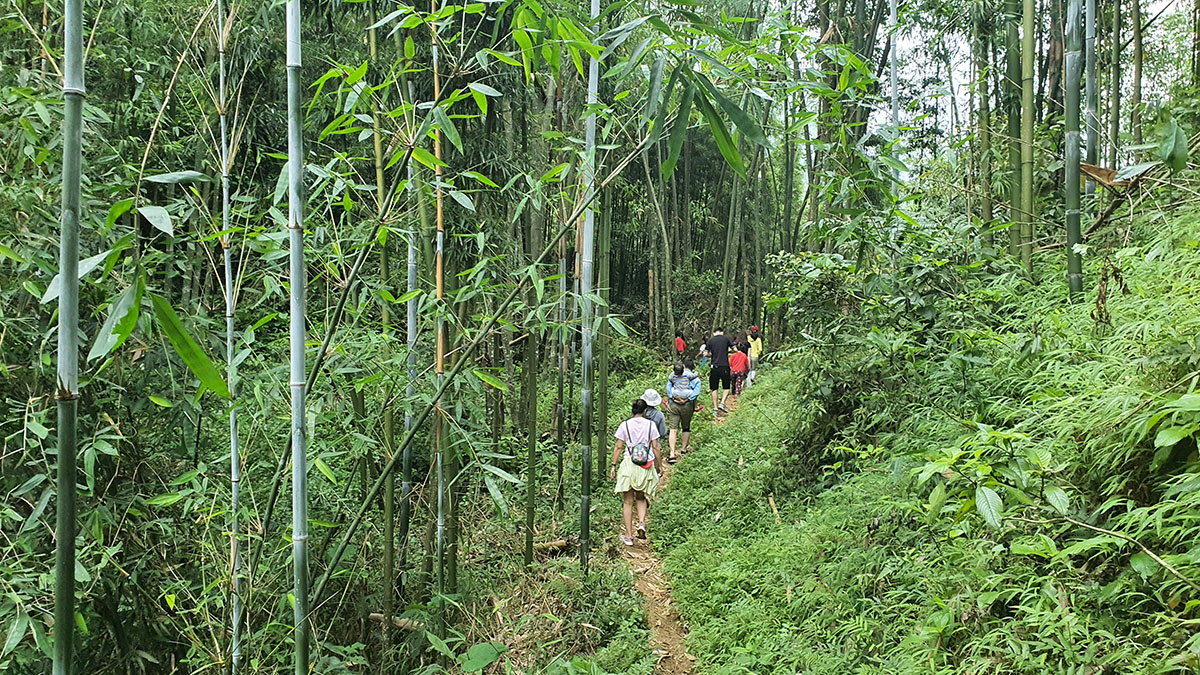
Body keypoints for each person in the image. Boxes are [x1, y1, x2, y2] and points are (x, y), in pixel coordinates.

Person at [609, 399, 663, 545]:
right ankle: (641, 523)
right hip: (645, 464)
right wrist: (660, 465)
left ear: (632, 411)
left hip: (629, 464)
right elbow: (656, 446)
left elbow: (619, 447)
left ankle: (629, 535)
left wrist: (613, 465)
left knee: (627, 501)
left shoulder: (624, 425)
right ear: (645, 411)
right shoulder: (651, 424)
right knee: (641, 496)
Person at [665, 361, 701, 462]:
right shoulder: (693, 377)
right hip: (687, 405)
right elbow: (696, 391)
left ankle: (672, 454)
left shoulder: (672, 376)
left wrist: (674, 398)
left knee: (673, 429)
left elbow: (668, 388)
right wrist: (687, 399)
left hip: (674, 404)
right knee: (686, 427)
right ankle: (683, 449)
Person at [702, 327, 734, 414]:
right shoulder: (727, 338)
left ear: (714, 333)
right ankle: (722, 403)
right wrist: (728, 352)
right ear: (722, 332)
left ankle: (715, 408)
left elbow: (705, 354)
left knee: (714, 388)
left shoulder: (710, 341)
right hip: (724, 366)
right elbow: (735, 349)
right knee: (726, 387)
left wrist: (711, 356)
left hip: (714, 367)